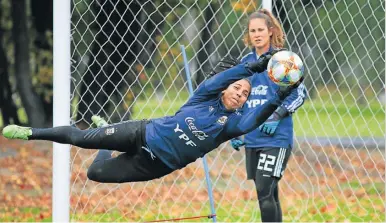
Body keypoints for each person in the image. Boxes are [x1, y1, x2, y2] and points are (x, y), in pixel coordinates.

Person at [2, 52, 302, 184]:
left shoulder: (231, 125)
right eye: (237, 89)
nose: (240, 94)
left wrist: (281, 93)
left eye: (245, 95)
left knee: (95, 174)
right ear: (227, 88)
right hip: (142, 134)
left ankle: (105, 134)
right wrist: (252, 70)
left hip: (154, 164)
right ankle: (31, 132)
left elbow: (254, 120)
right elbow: (223, 78)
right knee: (81, 139)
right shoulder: (202, 97)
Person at [230, 9, 307, 223]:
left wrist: (277, 115)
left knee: (265, 191)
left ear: (270, 31)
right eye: (252, 30)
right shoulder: (245, 63)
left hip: (276, 139)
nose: (256, 34)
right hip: (252, 139)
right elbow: (238, 98)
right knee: (269, 194)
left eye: (260, 30)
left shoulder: (282, 60)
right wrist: (235, 128)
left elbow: (300, 93)